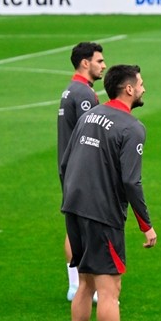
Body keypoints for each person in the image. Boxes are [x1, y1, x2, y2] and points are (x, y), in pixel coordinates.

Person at [60, 64, 157, 321]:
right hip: (102, 214)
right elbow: (132, 182)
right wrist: (146, 224)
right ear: (128, 89)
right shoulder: (131, 127)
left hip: (74, 208)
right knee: (109, 288)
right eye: (140, 84)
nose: (143, 88)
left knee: (85, 283)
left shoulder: (90, 115)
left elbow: (67, 160)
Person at [58, 41, 106, 301]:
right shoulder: (84, 95)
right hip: (81, 171)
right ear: (85, 63)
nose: (104, 65)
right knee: (88, 226)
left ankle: (76, 284)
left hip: (69, 169)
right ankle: (83, 286)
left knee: (75, 225)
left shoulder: (71, 89)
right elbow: (89, 136)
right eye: (99, 61)